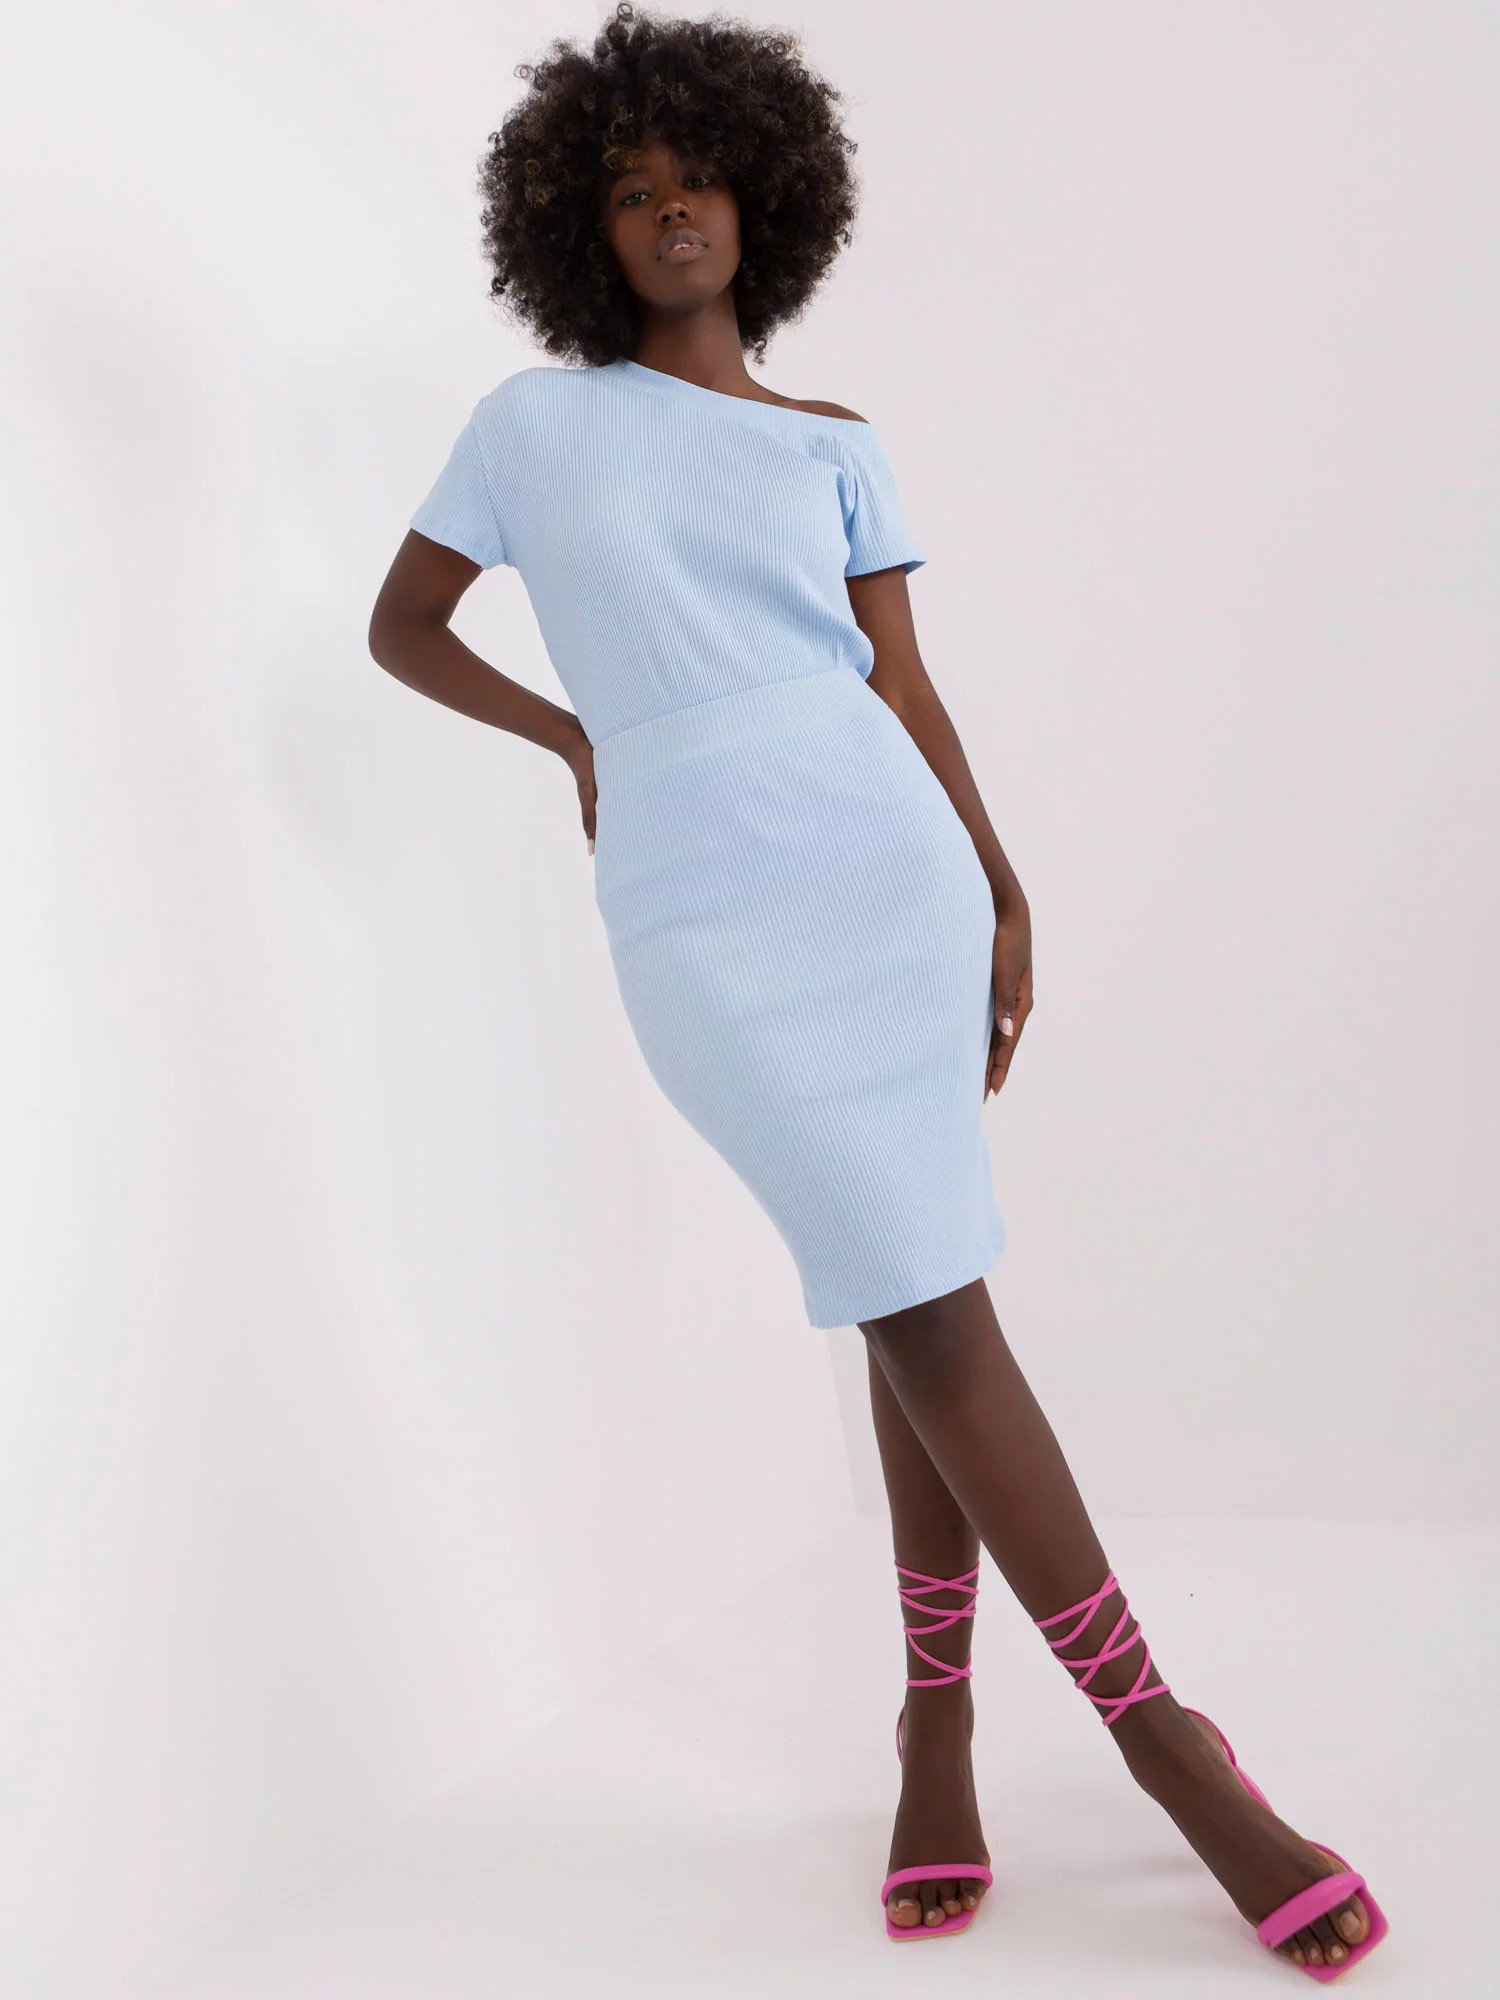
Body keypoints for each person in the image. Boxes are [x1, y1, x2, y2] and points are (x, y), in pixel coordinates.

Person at [368, 3, 1386, 1977]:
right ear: (582, 226)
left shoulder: (835, 445)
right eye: (633, 191)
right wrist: (576, 737)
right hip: (699, 915)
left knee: (912, 1288)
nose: (674, 214)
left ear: (766, 200)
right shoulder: (529, 428)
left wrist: (999, 885)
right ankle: (1168, 1745)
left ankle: (947, 1721)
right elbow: (403, 628)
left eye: (701, 181)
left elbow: (900, 688)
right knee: (914, 1288)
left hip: (884, 877)